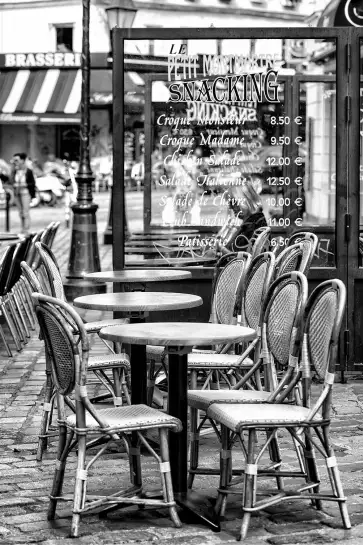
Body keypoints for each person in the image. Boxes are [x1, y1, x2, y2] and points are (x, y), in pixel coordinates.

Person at [0, 153, 36, 234]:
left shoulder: (28, 171)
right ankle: (23, 228)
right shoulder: (14, 171)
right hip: (17, 193)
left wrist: (24, 185)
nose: (14, 162)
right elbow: (8, 180)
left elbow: (32, 183)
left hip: (25, 193)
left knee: (25, 212)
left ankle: (26, 229)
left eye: (16, 160)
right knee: (20, 212)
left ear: (22, 161)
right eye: (14, 160)